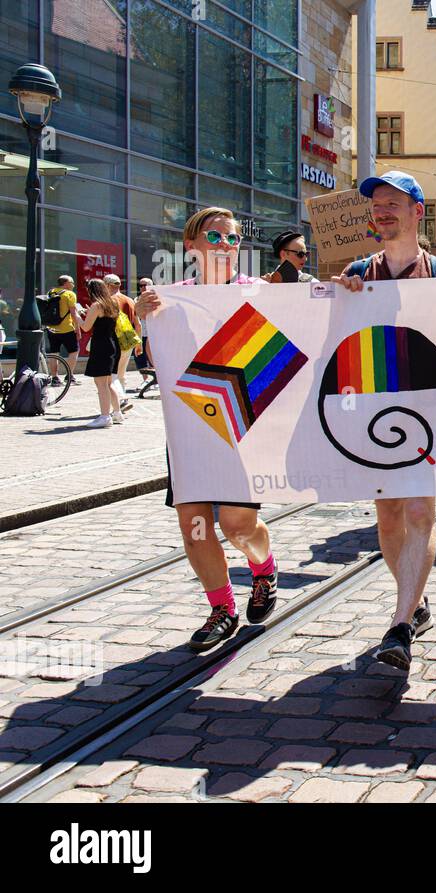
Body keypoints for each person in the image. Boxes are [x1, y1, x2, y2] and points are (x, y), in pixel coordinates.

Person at [331, 172, 436, 671]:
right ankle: (414, 600)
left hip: (427, 416)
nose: (382, 211)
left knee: (421, 512)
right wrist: (339, 298)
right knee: (389, 516)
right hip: (376, 417)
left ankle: (400, 625)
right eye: (377, 205)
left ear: (418, 211)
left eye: (393, 203)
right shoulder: (358, 271)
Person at [137, 207, 280, 652]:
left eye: (232, 238)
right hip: (189, 429)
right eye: (214, 237)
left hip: (240, 424)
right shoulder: (170, 298)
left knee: (238, 527)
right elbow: (156, 362)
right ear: (192, 246)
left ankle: (264, 568)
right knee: (194, 527)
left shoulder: (257, 291)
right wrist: (146, 319)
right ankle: (222, 608)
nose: (225, 245)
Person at [77, 278, 123, 428]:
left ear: (93, 291)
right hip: (112, 344)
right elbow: (103, 320)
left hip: (100, 345)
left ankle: (105, 416)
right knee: (109, 382)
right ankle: (117, 413)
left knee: (101, 383)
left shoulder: (97, 305)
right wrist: (88, 312)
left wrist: (77, 316)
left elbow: (85, 327)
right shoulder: (113, 303)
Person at [104, 274, 139, 409]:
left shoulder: (109, 301)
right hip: (128, 340)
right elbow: (138, 324)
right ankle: (122, 399)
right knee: (121, 374)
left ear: (108, 285)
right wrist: (138, 344)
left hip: (114, 340)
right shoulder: (130, 300)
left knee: (111, 375)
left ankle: (121, 400)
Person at [43, 274, 82, 386]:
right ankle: (69, 376)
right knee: (74, 351)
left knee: (54, 352)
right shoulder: (70, 294)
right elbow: (73, 313)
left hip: (52, 328)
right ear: (66, 283)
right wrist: (78, 329)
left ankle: (55, 378)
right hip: (67, 328)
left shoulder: (51, 292)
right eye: (72, 282)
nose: (73, 285)